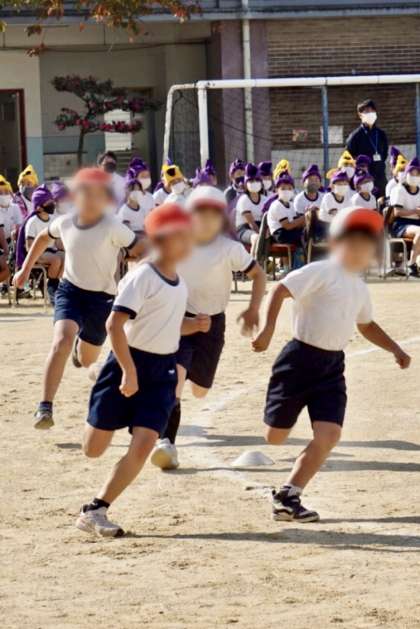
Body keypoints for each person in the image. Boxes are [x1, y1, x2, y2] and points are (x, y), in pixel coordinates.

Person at [252, 206, 410, 522]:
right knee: (275, 437)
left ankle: (288, 496)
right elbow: (281, 289)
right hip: (298, 361)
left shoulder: (359, 286)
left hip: (332, 368)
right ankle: (281, 434)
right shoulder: (321, 271)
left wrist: (395, 349)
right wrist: (267, 330)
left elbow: (366, 325)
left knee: (330, 434)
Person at [76, 203, 194, 537]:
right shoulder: (143, 276)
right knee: (93, 449)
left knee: (143, 445)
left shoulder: (179, 283)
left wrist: (194, 325)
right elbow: (114, 324)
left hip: (162, 371)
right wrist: (128, 371)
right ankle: (99, 375)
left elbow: (166, 324)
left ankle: (95, 509)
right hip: (127, 363)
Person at [13, 168, 143, 430]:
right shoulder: (66, 222)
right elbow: (43, 237)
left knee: (86, 360)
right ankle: (45, 407)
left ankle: (78, 351)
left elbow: (140, 249)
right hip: (70, 292)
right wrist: (25, 269)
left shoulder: (112, 226)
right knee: (61, 340)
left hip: (102, 299)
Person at [151, 186, 266, 470]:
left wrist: (253, 308)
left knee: (200, 390)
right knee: (175, 383)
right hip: (181, 320)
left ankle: (184, 374)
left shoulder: (228, 248)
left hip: (213, 324)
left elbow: (258, 274)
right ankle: (166, 443)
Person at [24, 185, 64, 303]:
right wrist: (37, 255)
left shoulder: (53, 220)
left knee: (66, 258)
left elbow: (57, 242)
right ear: (39, 207)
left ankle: (57, 286)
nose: (52, 204)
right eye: (48, 202)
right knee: (56, 260)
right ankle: (51, 285)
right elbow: (29, 246)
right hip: (37, 253)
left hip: (51, 251)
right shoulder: (32, 222)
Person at [346, 99, 389, 196]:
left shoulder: (381, 134)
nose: (370, 113)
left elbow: (384, 154)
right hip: (363, 180)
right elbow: (348, 157)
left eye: (372, 111)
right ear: (360, 115)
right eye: (366, 111)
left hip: (380, 178)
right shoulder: (355, 136)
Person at [389, 157, 420, 276]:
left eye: (417, 174)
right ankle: (411, 263)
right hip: (402, 224)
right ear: (406, 175)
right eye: (412, 173)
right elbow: (397, 212)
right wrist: (414, 211)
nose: (415, 176)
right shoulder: (399, 190)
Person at [235, 163, 266, 256]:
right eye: (251, 181)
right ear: (246, 184)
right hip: (243, 229)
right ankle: (252, 262)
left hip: (261, 227)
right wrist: (262, 235)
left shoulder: (265, 199)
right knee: (256, 238)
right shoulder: (243, 200)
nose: (254, 183)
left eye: (257, 180)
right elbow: (251, 223)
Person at [267, 173, 304, 248]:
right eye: (283, 189)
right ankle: (299, 255)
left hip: (289, 231)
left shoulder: (291, 204)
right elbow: (287, 225)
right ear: (277, 190)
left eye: (289, 189)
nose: (286, 191)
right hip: (280, 234)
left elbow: (296, 223)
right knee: (304, 236)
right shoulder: (277, 205)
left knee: (308, 232)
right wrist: (304, 217)